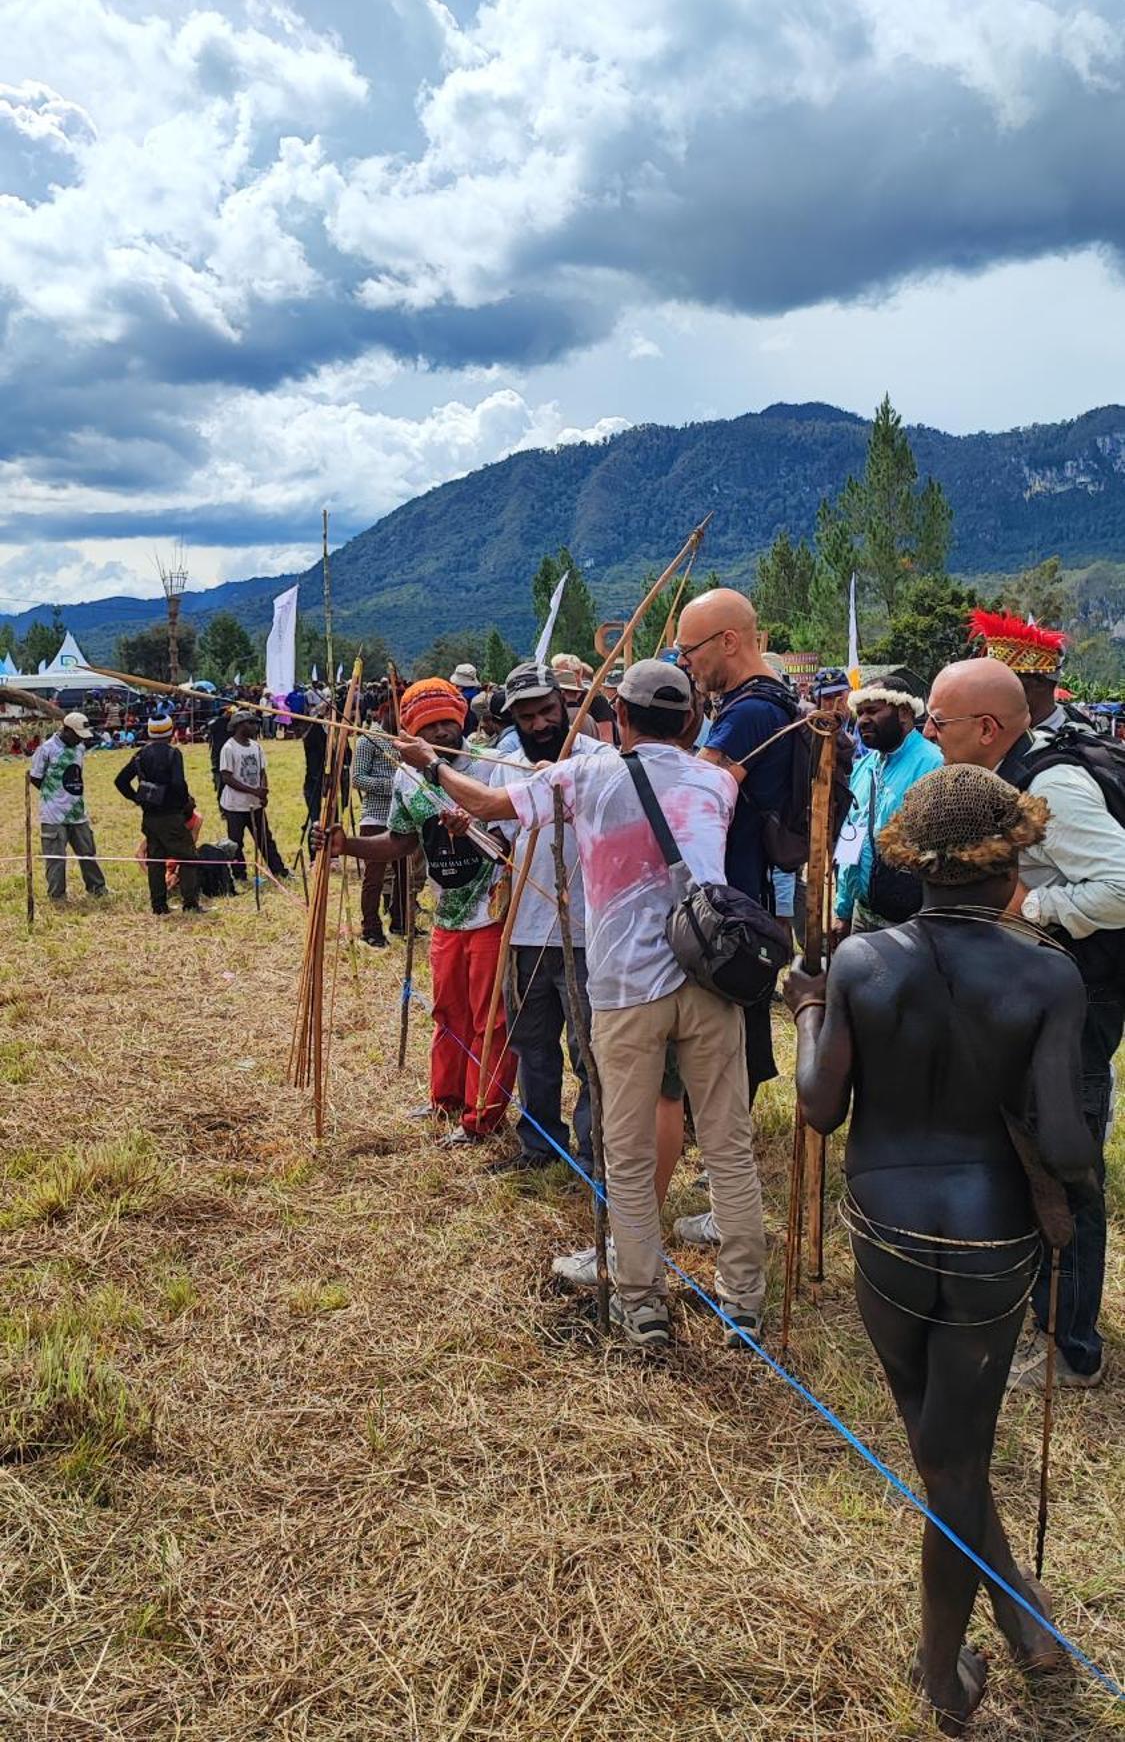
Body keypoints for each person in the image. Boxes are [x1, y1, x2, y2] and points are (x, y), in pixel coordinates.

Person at [785, 765, 1094, 1737]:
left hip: (885, 1229)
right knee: (952, 1452)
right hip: (994, 1239)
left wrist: (804, 1009)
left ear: (909, 859)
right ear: (1013, 861)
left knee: (940, 1443)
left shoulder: (863, 963)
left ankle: (981, 1646)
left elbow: (819, 1107)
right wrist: (1072, 1192)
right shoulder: (1047, 971)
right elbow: (1070, 1143)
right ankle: (977, 1650)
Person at [403, 659, 768, 1350]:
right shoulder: (717, 782)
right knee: (727, 1145)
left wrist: (428, 763)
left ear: (619, 717)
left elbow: (483, 806)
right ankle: (742, 1304)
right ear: (689, 719)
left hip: (627, 989)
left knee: (626, 1153)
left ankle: (641, 1302)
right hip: (713, 980)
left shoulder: (585, 775)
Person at [926, 653, 1125, 1389]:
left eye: (938, 722)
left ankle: (1071, 1347)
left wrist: (1028, 910)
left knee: (1064, 1164)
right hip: (1033, 996)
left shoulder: (1054, 784)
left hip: (1075, 1002)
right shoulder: (1006, 779)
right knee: (1022, 1155)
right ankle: (1035, 1314)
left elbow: (1119, 883)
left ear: (984, 728)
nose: (929, 733)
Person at [321, 678, 517, 1144]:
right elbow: (401, 841)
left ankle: (481, 1117)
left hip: (493, 913)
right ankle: (445, 1100)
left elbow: (511, 843)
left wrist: (475, 829)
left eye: (450, 722)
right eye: (431, 727)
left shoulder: (490, 768)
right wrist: (347, 844)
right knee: (448, 1011)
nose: (443, 734)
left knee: (489, 1020)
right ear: (413, 733)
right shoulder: (406, 777)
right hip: (446, 915)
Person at [674, 587, 796, 1104]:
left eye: (690, 650)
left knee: (724, 1023)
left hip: (733, 891)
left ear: (728, 641)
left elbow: (692, 792)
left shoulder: (750, 712)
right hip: (748, 881)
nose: (686, 663)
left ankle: (724, 1132)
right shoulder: (769, 700)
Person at [482, 661, 602, 1177]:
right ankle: (538, 1145)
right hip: (527, 930)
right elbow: (496, 844)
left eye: (547, 711)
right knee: (532, 1042)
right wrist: (468, 829)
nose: (538, 726)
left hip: (587, 933)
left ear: (565, 705)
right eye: (526, 717)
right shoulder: (505, 766)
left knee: (590, 1050)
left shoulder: (600, 762)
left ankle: (594, 1152)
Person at [835, 670, 942, 935]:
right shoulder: (863, 768)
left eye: (872, 711)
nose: (863, 721)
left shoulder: (935, 765)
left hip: (913, 924)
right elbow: (852, 840)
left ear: (904, 712)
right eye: (860, 714)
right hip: (863, 914)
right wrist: (843, 909)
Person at [116, 715, 204, 915]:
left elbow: (120, 781)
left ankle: (159, 906)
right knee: (189, 857)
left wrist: (137, 798)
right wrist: (184, 804)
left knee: (156, 860)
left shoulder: (140, 755)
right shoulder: (173, 754)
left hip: (150, 815)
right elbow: (178, 783)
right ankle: (190, 903)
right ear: (171, 730)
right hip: (171, 814)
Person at [28, 711, 109, 904]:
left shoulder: (79, 747)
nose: (79, 740)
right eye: (76, 735)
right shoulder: (46, 750)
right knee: (55, 858)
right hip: (53, 814)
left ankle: (97, 888)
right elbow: (35, 777)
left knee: (87, 852)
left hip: (77, 812)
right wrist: (54, 793)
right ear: (66, 730)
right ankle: (57, 896)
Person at [352, 709, 397, 946]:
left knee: (403, 875)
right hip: (376, 818)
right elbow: (357, 778)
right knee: (374, 877)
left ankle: (400, 920)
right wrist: (393, 786)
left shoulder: (402, 739)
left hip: (402, 817)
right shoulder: (367, 740)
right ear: (385, 711)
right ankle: (371, 928)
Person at [218, 713, 272, 882]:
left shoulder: (256, 747)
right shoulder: (229, 748)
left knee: (265, 840)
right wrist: (253, 791)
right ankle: (239, 875)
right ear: (240, 725)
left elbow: (262, 771)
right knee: (236, 843)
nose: (256, 727)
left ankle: (279, 870)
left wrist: (263, 791)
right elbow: (226, 778)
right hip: (235, 806)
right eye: (252, 723)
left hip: (255, 804)